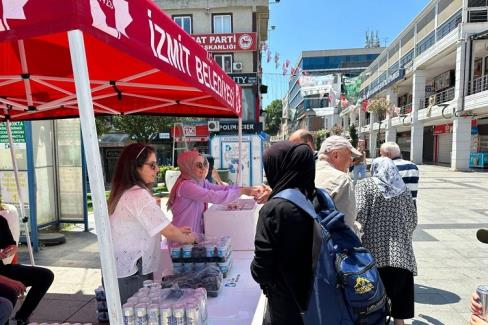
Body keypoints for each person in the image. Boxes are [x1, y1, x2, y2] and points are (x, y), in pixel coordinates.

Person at [108, 143, 197, 303]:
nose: (157, 169)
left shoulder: (124, 191)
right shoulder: (138, 194)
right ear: (135, 167)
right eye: (152, 165)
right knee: (136, 317)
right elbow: (169, 232)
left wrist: (176, 230)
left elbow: (157, 226)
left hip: (123, 269)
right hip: (132, 272)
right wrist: (191, 238)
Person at [251, 141, 316, 325]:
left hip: (287, 306)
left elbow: (261, 271)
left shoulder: (275, 210)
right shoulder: (317, 198)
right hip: (321, 298)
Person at [355, 157, 417, 325]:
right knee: (400, 295)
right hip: (401, 253)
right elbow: (413, 219)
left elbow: (359, 214)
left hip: (373, 252)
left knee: (374, 299)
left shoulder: (365, 185)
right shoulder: (402, 188)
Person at [168, 150, 255, 234]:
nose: (203, 169)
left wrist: (242, 189)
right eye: (198, 165)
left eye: (205, 164)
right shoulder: (186, 186)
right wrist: (241, 191)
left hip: (193, 237)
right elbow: (213, 196)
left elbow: (219, 189)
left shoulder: (201, 182)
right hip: (181, 240)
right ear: (188, 166)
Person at [0, 213, 54, 325]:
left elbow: (11, 244)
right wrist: (9, 282)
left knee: (45, 276)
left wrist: (9, 250)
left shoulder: (1, 221)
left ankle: (21, 318)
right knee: (9, 293)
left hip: (2, 269)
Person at [315, 135, 362, 235]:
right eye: (349, 156)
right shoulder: (342, 179)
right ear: (336, 155)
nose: (351, 162)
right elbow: (346, 224)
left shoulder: (306, 171)